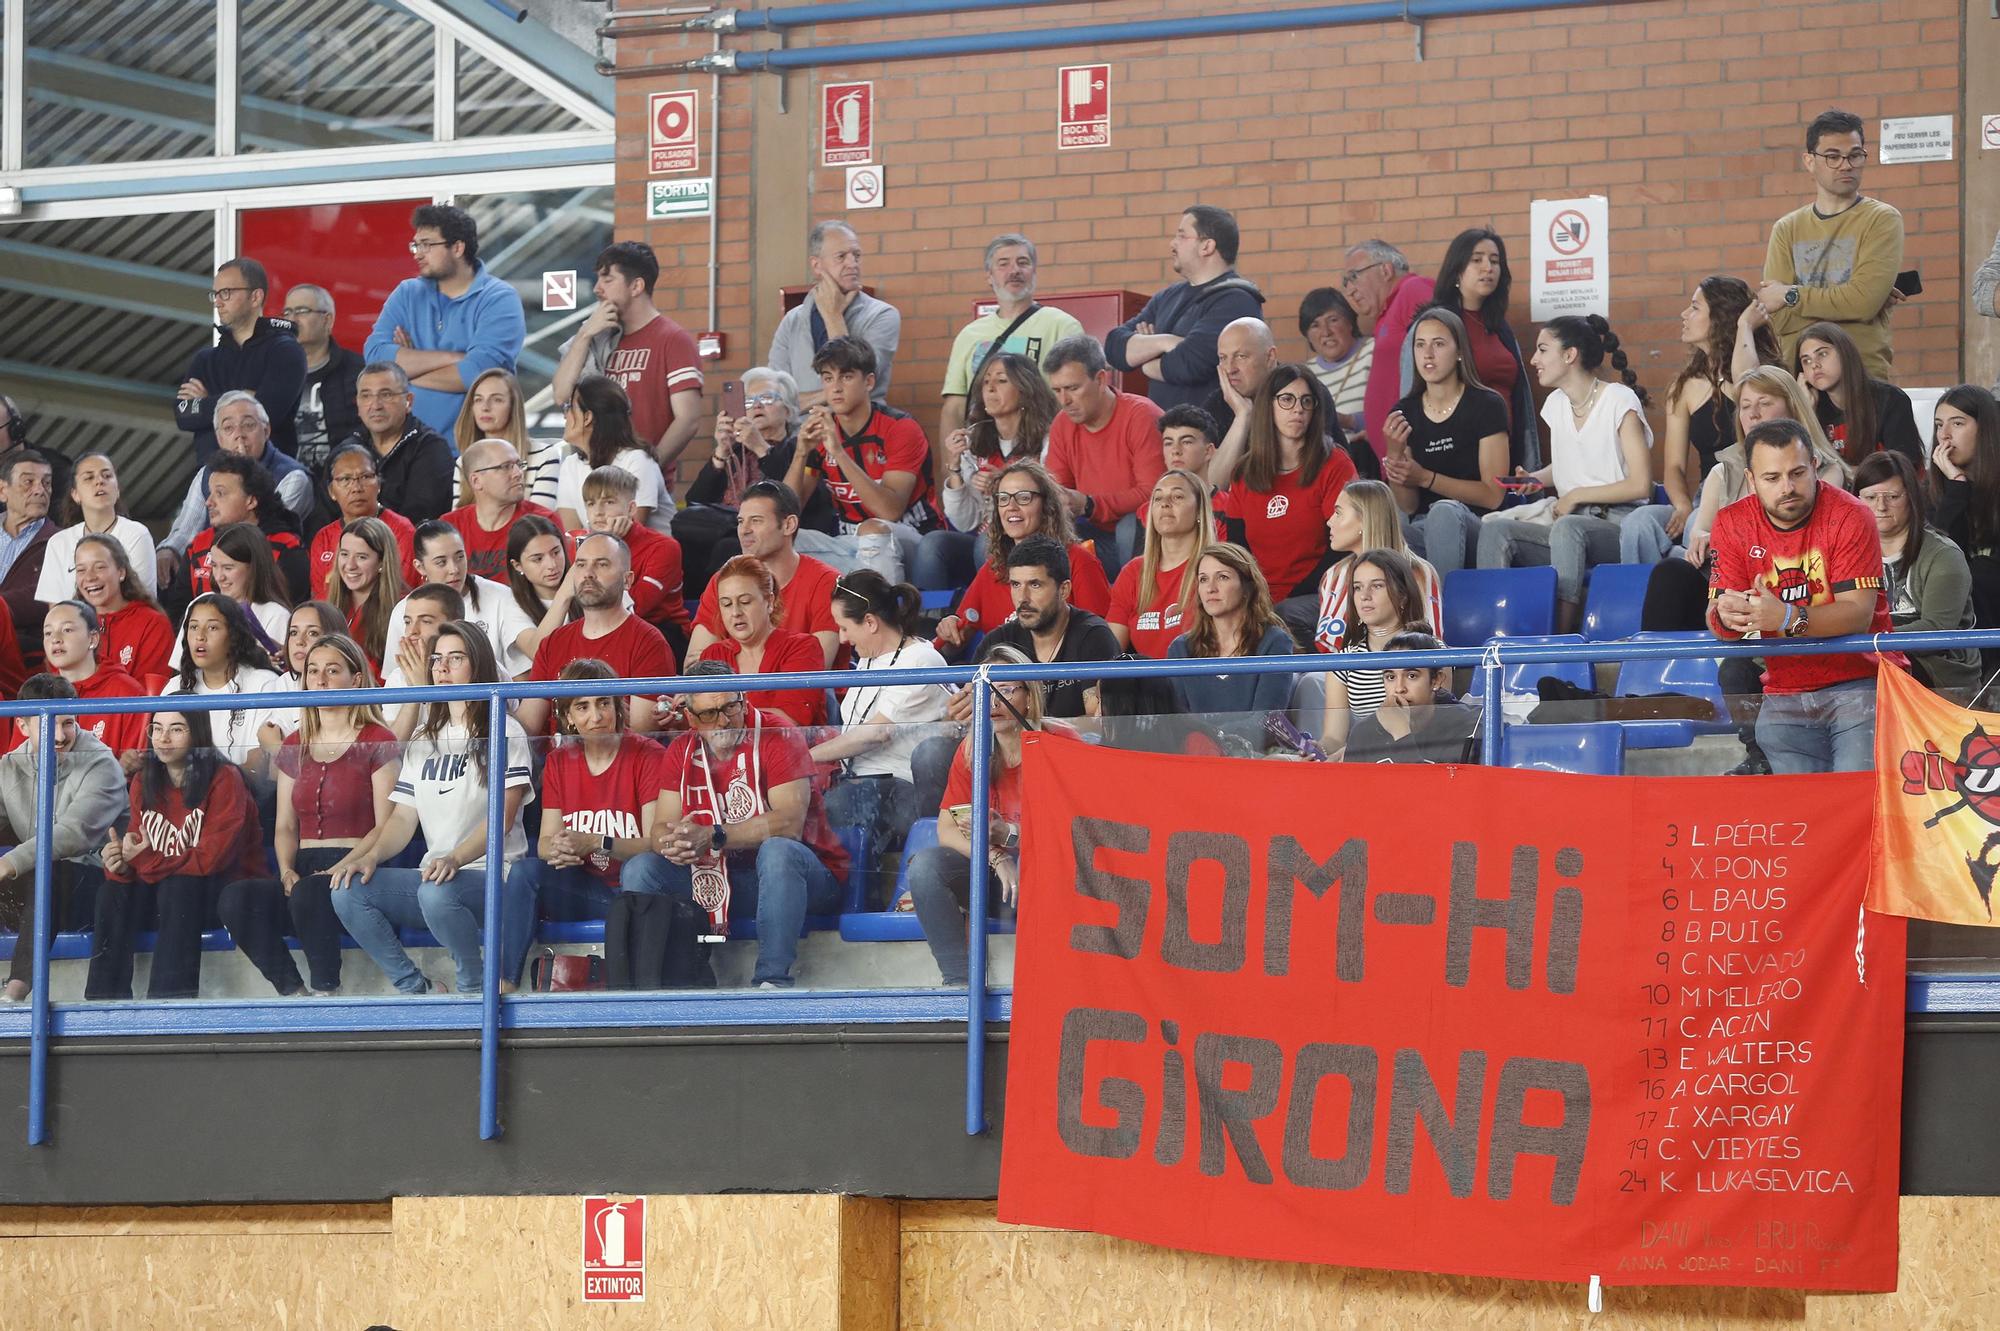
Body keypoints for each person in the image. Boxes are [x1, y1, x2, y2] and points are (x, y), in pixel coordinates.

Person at [332, 622, 534, 994]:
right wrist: (371, 856)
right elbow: (404, 818)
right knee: (348, 890)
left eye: (455, 658)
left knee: (437, 891)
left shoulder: (505, 730)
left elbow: (502, 819)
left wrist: (455, 859)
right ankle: (417, 989)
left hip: (493, 876)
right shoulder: (425, 737)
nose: (441, 668)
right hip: (436, 878)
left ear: (479, 666)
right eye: (437, 659)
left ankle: (475, 986)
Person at [1709, 418, 1902, 773]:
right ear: (1751, 480)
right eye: (1772, 478)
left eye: (1797, 473)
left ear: (1815, 467)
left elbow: (1857, 615)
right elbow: (1721, 619)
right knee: (1805, 819)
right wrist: (1727, 615)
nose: (1787, 487)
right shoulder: (1731, 522)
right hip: (1784, 689)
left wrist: (1785, 617)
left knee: (1854, 806)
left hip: (1861, 683)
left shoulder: (1852, 515)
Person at [645, 659, 851, 988]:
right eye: (710, 714)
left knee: (778, 851)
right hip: (722, 880)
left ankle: (771, 981)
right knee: (643, 870)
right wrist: (674, 842)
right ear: (691, 718)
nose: (724, 720)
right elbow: (659, 830)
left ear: (744, 698)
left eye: (731, 707)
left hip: (803, 879)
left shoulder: (777, 733)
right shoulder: (681, 750)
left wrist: (713, 836)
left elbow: (789, 824)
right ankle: (659, 987)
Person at [510, 660, 682, 990]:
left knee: (640, 868)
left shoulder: (647, 754)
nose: (597, 716)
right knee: (524, 873)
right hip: (591, 891)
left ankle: (636, 989)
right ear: (569, 718)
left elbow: (654, 843)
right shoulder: (561, 760)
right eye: (583, 706)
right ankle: (504, 987)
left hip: (635, 893)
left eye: (604, 703)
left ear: (619, 706)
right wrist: (559, 848)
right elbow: (544, 842)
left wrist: (596, 840)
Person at [1476, 315, 1654, 633]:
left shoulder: (1619, 399)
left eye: (1543, 350)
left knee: (1568, 527)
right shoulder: (1556, 404)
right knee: (1496, 531)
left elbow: (1641, 484)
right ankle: (1496, 634)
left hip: (1617, 524)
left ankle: (1560, 638)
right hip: (1569, 524)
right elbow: (1572, 464)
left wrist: (1576, 496)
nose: (1534, 360)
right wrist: (1536, 479)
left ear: (1570, 355)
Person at [250, 635, 399, 996]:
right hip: (302, 866)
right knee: (239, 898)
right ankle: (292, 990)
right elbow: (285, 824)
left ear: (356, 680)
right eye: (312, 671)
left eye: (332, 671)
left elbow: (387, 824)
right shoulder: (294, 744)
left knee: (310, 893)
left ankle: (326, 991)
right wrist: (286, 869)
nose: (320, 679)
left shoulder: (378, 739)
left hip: (357, 867)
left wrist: (338, 870)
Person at [93, 710, 266, 1000]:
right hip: (167, 896)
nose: (163, 738)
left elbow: (212, 859)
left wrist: (144, 860)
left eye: (176, 729)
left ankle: (168, 1007)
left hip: (223, 897)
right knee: (111, 893)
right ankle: (102, 1007)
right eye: (157, 728)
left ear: (196, 735)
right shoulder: (143, 780)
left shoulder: (225, 778)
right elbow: (139, 850)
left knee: (179, 886)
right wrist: (122, 864)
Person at [906, 649, 1042, 987]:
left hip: (1047, 878)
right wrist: (996, 856)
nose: (996, 703)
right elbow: (948, 830)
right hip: (999, 882)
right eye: (988, 692)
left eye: (1007, 690)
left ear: (1030, 696)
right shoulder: (971, 751)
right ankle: (958, 983)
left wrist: (1009, 834)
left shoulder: (1056, 744)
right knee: (925, 867)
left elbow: (1073, 832)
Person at [1623, 277, 1780, 565]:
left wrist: (1744, 326)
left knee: (1693, 532)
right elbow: (1674, 466)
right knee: (1639, 524)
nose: (1684, 315)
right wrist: (1681, 505)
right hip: (1703, 495)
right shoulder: (1683, 386)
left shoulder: (1763, 372)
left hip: (1744, 492)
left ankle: (1687, 573)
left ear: (1721, 318)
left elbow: (1748, 383)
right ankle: (1653, 601)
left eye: (1694, 308)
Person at [1207, 365, 1357, 639]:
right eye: (1287, 399)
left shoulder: (1334, 463)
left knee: (1284, 616)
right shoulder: (1244, 472)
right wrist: (1256, 601)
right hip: (1263, 600)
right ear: (1269, 407)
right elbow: (1239, 552)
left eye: (1306, 401)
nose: (1297, 409)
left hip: (1320, 595)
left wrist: (1280, 603)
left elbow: (1344, 549)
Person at [0, 675, 126, 1002]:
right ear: (22, 725)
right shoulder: (10, 766)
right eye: (47, 724)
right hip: (34, 886)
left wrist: (8, 862)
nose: (59, 736)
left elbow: (72, 834)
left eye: (67, 722)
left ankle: (16, 989)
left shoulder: (102, 763)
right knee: (37, 876)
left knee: (48, 873)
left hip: (95, 886)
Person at [809, 572, 951, 848]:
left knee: (836, 804)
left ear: (871, 622)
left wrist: (804, 757)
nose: (842, 638)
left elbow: (876, 733)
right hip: (860, 781)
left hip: (901, 788)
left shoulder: (921, 659)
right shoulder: (868, 658)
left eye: (845, 628)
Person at [1760, 108, 1903, 377]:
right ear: (1809, 161)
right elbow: (1777, 316)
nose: (1846, 165)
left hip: (1862, 377)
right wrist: (1845, 300)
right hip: (1800, 378)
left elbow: (1862, 303)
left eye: (1855, 155)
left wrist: (1791, 295)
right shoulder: (1787, 228)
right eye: (1833, 157)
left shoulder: (1881, 219)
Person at [785, 336, 939, 581]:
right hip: (850, 542)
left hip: (911, 536)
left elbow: (889, 511)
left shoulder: (900, 428)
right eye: (828, 378)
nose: (835, 387)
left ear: (869, 382)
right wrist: (801, 452)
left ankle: (884, 616)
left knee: (872, 531)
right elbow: (786, 512)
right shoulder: (821, 431)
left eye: (846, 377)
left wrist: (838, 452)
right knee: (777, 538)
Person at [364, 203, 526, 435]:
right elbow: (375, 357)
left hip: (472, 451)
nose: (418, 253)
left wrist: (402, 379)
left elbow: (478, 373)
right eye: (416, 245)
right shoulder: (407, 293)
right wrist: (454, 357)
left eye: (427, 244)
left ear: (458, 248)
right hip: (410, 446)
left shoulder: (499, 298)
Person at [552, 240, 705, 482]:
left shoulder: (673, 338)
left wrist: (648, 470)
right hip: (592, 479)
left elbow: (688, 419)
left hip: (642, 488)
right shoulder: (598, 336)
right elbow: (561, 395)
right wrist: (584, 335)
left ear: (636, 286)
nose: (597, 289)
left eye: (607, 279)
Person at [1678, 366, 1849, 569]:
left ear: (1793, 409)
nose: (1753, 414)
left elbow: (1804, 535)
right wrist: (1702, 539)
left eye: (1764, 403)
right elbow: (1699, 530)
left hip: (1793, 574)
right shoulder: (1722, 471)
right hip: (1727, 575)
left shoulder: (1826, 470)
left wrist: (1722, 540)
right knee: (1672, 570)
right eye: (1745, 406)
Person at [933, 460, 1111, 654]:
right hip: (1001, 681)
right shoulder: (994, 568)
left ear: (1046, 506)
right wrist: (950, 627)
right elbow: (957, 637)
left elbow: (1100, 642)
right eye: (1003, 498)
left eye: (1024, 497)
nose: (1011, 506)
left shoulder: (1079, 561)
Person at [1379, 308, 1507, 577]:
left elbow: (1493, 496)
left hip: (1477, 523)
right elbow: (1409, 506)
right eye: (1420, 345)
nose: (1428, 354)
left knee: (1444, 512)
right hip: (1423, 526)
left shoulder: (1486, 404)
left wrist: (1426, 477)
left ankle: (1441, 612)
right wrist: (1395, 455)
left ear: (1460, 351)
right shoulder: (1405, 411)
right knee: (1380, 527)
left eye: (1438, 344)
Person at [920, 352, 1061, 591]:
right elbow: (965, 522)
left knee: (987, 542)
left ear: (1026, 389)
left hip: (1036, 540)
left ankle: (1004, 616)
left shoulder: (1048, 438)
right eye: (986, 382)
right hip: (985, 538)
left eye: (1001, 381)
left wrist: (1006, 485)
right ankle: (931, 623)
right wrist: (955, 467)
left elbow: (1054, 503)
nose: (991, 388)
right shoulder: (974, 442)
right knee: (933, 544)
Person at [1105, 204, 1265, 410]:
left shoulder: (1236, 300)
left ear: (1207, 246)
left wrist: (1144, 361)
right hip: (1165, 434)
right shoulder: (1167, 297)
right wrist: (1165, 342)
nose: (1173, 244)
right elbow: (1114, 347)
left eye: (1182, 236)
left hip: (1211, 436)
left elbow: (1190, 363)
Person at [686, 368, 832, 590]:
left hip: (777, 534)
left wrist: (761, 448)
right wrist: (720, 453)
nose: (756, 406)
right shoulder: (735, 451)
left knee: (728, 547)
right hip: (732, 529)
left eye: (766, 398)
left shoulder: (801, 446)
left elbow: (792, 500)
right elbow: (695, 502)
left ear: (788, 410)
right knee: (686, 540)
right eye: (749, 401)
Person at [518, 534, 677, 736]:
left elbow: (642, 734)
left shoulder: (649, 642)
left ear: (627, 580)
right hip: (557, 764)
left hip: (621, 764)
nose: (588, 574)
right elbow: (525, 727)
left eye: (602, 565)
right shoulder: (553, 642)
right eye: (581, 565)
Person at [938, 233, 1083, 447]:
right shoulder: (969, 335)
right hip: (983, 453)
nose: (1014, 270)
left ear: (1034, 271)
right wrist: (949, 467)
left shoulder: (1062, 326)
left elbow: (1078, 395)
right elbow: (955, 407)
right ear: (989, 275)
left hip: (1043, 449)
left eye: (1023, 262)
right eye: (1003, 264)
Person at [159, 392, 314, 593]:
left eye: (248, 425)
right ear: (219, 438)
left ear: (266, 430)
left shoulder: (293, 476)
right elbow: (186, 530)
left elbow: (264, 530)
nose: (239, 435)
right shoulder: (206, 474)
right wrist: (168, 550)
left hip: (261, 574)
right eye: (228, 427)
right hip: (211, 566)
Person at [1857, 450, 1980, 696]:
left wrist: (1863, 639)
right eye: (1870, 497)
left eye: (1892, 496)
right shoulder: (1846, 553)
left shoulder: (1943, 555)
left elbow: (1936, 629)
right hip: (1871, 656)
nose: (1880, 506)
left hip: (1939, 671)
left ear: (1911, 497)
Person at [1041, 336, 1166, 576]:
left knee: (1131, 526)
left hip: (1148, 537)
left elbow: (1154, 494)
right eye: (1057, 390)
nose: (1064, 401)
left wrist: (1089, 504)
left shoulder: (1141, 416)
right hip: (1095, 532)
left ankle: (1138, 606)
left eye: (1073, 388)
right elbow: (1058, 492)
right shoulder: (1062, 424)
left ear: (1100, 379)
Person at [685, 482, 840, 668]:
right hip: (732, 696)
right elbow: (694, 668)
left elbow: (812, 672)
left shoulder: (826, 581)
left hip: (802, 696)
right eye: (741, 521)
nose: (744, 530)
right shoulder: (724, 580)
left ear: (788, 525)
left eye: (756, 520)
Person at [1425, 227, 1540, 471]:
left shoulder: (1500, 327)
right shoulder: (1435, 325)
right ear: (1457, 269)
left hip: (1508, 451)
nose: (1488, 267)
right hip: (1457, 454)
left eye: (1495, 261)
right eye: (1477, 260)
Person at [975, 535, 1121, 719]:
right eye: (1016, 585)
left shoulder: (1093, 636)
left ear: (1064, 590)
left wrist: (1037, 734)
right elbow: (974, 714)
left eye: (1035, 585)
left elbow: (1096, 722)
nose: (1022, 598)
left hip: (1071, 748)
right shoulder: (998, 642)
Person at [175, 257, 307, 460]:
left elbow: (269, 411)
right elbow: (182, 415)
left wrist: (205, 402)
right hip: (212, 480)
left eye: (226, 293)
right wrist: (244, 396)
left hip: (269, 480)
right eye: (215, 294)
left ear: (255, 297)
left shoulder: (286, 351)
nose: (218, 302)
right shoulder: (205, 359)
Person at [1166, 543, 1296, 743]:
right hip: (1198, 756)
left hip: (1253, 757)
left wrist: (1213, 736)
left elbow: (1266, 723)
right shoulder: (1181, 649)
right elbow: (1177, 723)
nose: (1211, 588)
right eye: (1203, 579)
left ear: (1247, 587)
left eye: (1223, 577)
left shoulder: (1274, 642)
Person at [767, 221, 902, 409]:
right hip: (802, 433)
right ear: (817, 266)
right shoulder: (792, 320)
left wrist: (833, 315)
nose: (852, 263)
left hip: (858, 431)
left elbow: (859, 385)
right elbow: (775, 396)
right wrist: (827, 396)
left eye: (856, 256)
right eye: (841, 257)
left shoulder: (882, 315)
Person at [381, 521, 536, 679]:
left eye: (460, 557)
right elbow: (394, 678)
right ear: (419, 567)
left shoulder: (501, 597)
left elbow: (520, 674)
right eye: (441, 562)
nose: (454, 569)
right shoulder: (404, 610)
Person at [1320, 548, 1434, 756]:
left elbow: (1433, 727)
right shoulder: (1341, 661)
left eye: (1377, 586)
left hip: (1416, 758)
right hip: (1364, 766)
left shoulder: (1432, 651)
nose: (1364, 596)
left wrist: (1356, 751)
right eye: (1357, 587)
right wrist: (1316, 749)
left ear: (1402, 596)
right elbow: (1334, 738)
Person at [158, 593, 289, 768]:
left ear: (234, 635)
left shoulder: (263, 684)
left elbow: (259, 764)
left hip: (241, 791)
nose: (200, 636)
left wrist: (218, 785)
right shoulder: (175, 687)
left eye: (212, 628)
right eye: (193, 627)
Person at [696, 555, 827, 728]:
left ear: (769, 602)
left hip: (791, 752)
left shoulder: (803, 648)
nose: (735, 612)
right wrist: (678, 715)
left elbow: (789, 721)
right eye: (726, 604)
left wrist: (718, 715)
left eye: (745, 602)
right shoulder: (713, 655)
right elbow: (704, 723)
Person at [1314, 479, 1443, 653]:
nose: (1329, 521)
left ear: (1364, 520)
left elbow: (1431, 649)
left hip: (1400, 673)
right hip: (1339, 675)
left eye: (1338, 513)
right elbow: (1327, 652)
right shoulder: (1333, 575)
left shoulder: (1418, 572)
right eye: (1358, 587)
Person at [18, 601, 149, 764]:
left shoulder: (128, 693)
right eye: (48, 633)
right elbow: (16, 764)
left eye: (67, 630)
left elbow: (134, 769)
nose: (56, 639)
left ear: (93, 638)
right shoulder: (36, 691)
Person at [1109, 469, 1216, 658]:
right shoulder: (1133, 572)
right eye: (1157, 499)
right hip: (1148, 684)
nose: (1165, 504)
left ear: (1199, 510)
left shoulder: (1215, 569)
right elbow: (1110, 651)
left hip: (1198, 681)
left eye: (1177, 497)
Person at [1788, 320, 1922, 468]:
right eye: (1806, 361)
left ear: (1845, 353)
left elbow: (1905, 467)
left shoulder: (1890, 400)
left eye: (1823, 354)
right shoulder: (1812, 406)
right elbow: (1802, 470)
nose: (1814, 365)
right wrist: (1807, 413)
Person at [1345, 239, 1437, 452]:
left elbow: (1442, 356)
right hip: (1394, 456)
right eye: (1345, 282)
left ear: (1385, 270)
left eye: (1353, 277)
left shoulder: (1413, 290)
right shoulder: (1387, 311)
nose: (1349, 290)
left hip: (1418, 454)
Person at [583, 464, 688, 647]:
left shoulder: (664, 547)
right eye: (591, 503)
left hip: (660, 631)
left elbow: (635, 607)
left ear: (631, 509)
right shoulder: (581, 546)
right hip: (598, 627)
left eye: (608, 502)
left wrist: (610, 547)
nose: (598, 511)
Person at [555, 374, 670, 536]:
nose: (565, 415)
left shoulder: (637, 460)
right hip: (598, 555)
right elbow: (573, 536)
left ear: (587, 417)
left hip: (640, 557)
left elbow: (628, 535)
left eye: (570, 408)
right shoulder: (571, 465)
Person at [1343, 630, 1481, 765]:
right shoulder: (1363, 732)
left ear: (1436, 680)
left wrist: (1401, 734)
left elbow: (1434, 788)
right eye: (1390, 677)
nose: (1399, 688)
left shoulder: (1471, 727)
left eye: (1411, 676)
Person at [36, 452, 157, 604]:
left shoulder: (136, 534)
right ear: (75, 494)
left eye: (107, 476)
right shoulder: (58, 542)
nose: (99, 481)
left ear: (117, 489)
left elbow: (141, 600)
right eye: (89, 478)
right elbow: (55, 608)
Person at [1928, 384, 2000, 634]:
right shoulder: (1934, 492)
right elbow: (1941, 558)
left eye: (1957, 424)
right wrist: (1956, 487)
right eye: (1939, 425)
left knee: (1981, 572)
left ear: (1985, 430)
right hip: (1957, 616)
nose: (1945, 435)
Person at [347, 362, 456, 523]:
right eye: (366, 395)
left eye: (386, 395)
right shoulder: (348, 449)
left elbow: (419, 519)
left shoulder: (431, 449)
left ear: (409, 402)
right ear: (357, 404)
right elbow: (325, 513)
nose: (375, 405)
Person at [172, 519, 294, 663]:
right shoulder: (202, 603)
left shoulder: (276, 614)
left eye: (228, 568)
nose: (218, 577)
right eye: (214, 566)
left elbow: (279, 675)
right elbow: (181, 666)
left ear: (254, 568)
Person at [306, 442, 419, 593]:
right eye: (345, 479)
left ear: (378, 484)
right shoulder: (323, 538)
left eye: (365, 477)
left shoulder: (401, 530)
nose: (356, 488)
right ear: (331, 491)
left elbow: (403, 591)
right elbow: (321, 598)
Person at [443, 437, 556, 581]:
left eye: (519, 464)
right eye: (505, 467)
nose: (518, 473)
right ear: (476, 481)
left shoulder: (543, 523)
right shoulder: (450, 528)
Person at [279, 282, 362, 478]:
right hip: (283, 483)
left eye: (301, 311)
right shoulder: (274, 372)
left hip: (343, 481)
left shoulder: (357, 371)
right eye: (287, 313)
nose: (292, 320)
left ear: (327, 320)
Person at [451, 368, 560, 511]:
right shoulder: (463, 462)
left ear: (513, 407)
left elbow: (541, 523)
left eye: (497, 400)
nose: (485, 407)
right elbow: (458, 523)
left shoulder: (545, 456)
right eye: (478, 400)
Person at [72, 533, 173, 684]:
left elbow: (149, 694)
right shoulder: (69, 624)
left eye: (99, 567)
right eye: (81, 570)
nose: (90, 577)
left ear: (121, 572)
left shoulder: (153, 623)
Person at [325, 517, 407, 680]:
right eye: (344, 554)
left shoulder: (403, 609)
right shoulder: (329, 604)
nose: (350, 565)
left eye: (362, 557)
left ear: (382, 562)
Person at [0, 447, 56, 667]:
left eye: (46, 483)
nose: (39, 490)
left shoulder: (60, 541)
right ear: (3, 491)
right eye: (28, 482)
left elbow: (44, 595)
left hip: (26, 655)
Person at [1299, 287, 1371, 439]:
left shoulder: (1374, 351)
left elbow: (1394, 411)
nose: (1326, 332)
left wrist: (1349, 421)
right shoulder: (1305, 374)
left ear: (1350, 322)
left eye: (1333, 320)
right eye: (1315, 325)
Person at [504, 513, 578, 660]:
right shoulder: (511, 605)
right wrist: (564, 595)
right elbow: (537, 652)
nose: (552, 565)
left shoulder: (589, 586)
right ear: (517, 565)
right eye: (538, 559)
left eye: (556, 552)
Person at [1199, 317, 1279, 441]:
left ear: (1270, 357)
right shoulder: (1216, 405)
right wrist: (1243, 416)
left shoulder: (1301, 396)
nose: (1230, 369)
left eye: (1241, 356)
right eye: (1223, 358)